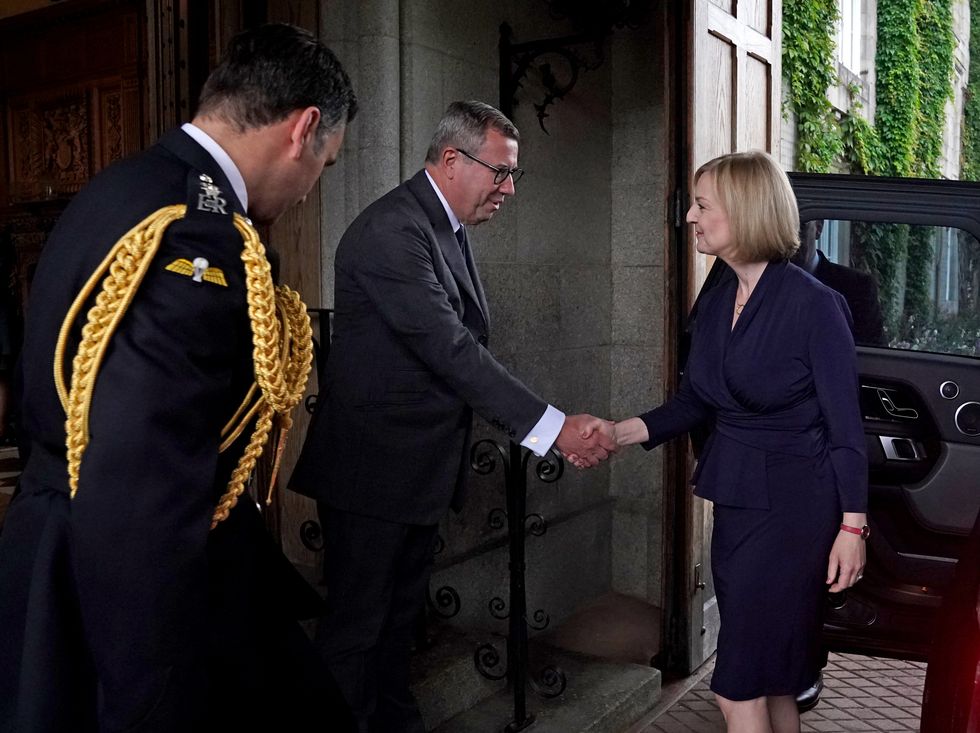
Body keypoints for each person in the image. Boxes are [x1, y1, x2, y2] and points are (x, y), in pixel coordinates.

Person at [0, 24, 357, 732]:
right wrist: (152, 697)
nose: (314, 190)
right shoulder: (193, 235)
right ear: (304, 128)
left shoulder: (128, 186)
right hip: (118, 590)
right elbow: (138, 488)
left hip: (74, 552)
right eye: (328, 163)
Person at [289, 100, 616, 732]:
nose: (510, 189)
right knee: (356, 634)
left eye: (513, 174)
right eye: (500, 172)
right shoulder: (393, 231)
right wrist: (550, 428)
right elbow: (450, 348)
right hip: (371, 475)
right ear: (450, 159)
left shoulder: (443, 226)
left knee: (394, 629)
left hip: (414, 473)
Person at [610, 152, 868, 731]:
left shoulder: (815, 305)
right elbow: (698, 400)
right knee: (773, 680)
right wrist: (619, 432)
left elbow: (848, 431)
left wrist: (853, 528)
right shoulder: (720, 295)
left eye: (702, 206)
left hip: (796, 511)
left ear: (746, 209)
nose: (690, 218)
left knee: (736, 687)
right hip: (738, 504)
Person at [794, 219, 886, 345]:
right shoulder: (765, 283)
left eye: (800, 228)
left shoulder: (858, 288)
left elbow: (874, 357)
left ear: (819, 228)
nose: (790, 239)